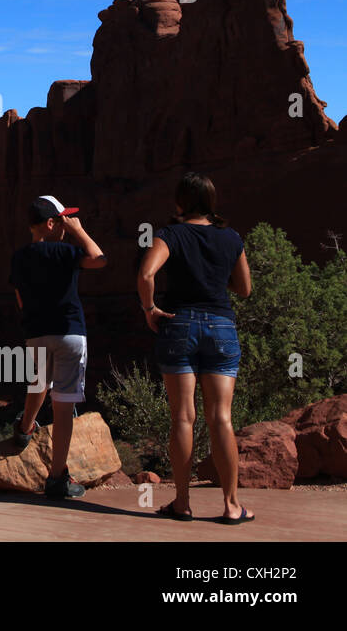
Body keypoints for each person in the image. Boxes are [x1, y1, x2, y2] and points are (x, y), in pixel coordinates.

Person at [138, 172, 253, 524]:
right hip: (221, 326)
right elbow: (245, 289)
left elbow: (146, 275)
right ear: (211, 202)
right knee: (222, 418)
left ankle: (183, 503)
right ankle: (232, 506)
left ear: (180, 202)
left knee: (183, 417)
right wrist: (215, 280)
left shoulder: (170, 234)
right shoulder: (231, 237)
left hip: (179, 323)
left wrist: (149, 309)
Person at [10, 195, 107, 499]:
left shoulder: (19, 257)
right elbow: (99, 258)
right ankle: (56, 479)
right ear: (52, 223)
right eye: (63, 218)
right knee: (64, 408)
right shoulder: (65, 252)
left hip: (36, 333)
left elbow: (20, 300)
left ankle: (25, 429)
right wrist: (78, 230)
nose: (66, 222)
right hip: (69, 334)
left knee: (39, 380)